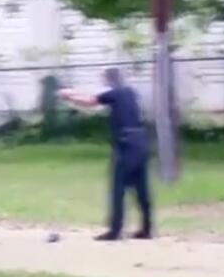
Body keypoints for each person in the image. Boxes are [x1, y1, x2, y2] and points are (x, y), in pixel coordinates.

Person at [57, 68, 153, 241]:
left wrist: (69, 95)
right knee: (141, 188)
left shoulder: (114, 93)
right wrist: (74, 94)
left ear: (108, 80)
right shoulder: (131, 92)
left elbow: (89, 101)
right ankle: (146, 228)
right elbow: (97, 99)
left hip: (126, 144)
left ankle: (115, 230)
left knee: (118, 188)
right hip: (141, 142)